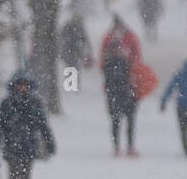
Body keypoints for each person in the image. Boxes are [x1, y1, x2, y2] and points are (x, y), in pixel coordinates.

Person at [0, 69, 55, 179]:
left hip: (28, 144)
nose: (21, 87)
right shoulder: (6, 103)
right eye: (18, 85)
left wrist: (49, 142)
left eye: (23, 85)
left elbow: (43, 125)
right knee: (13, 173)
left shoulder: (35, 103)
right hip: (11, 144)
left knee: (26, 175)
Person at [99, 15, 142, 156]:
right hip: (118, 95)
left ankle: (128, 147)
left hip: (124, 95)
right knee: (117, 122)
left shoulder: (124, 62)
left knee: (127, 122)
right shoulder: (111, 63)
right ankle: (118, 147)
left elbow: (134, 70)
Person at [59, 11, 93, 77]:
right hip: (73, 52)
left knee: (71, 70)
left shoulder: (70, 26)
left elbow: (85, 39)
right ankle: (72, 84)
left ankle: (71, 84)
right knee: (73, 70)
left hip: (72, 52)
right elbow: (85, 39)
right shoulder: (74, 27)